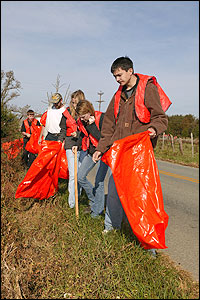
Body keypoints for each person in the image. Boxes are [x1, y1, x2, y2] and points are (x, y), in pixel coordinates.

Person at [92, 56, 171, 255]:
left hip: (139, 151)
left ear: (130, 71)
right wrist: (101, 148)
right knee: (115, 191)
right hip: (119, 150)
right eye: (114, 76)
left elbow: (160, 117)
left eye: (119, 75)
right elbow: (109, 123)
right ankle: (111, 228)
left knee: (141, 196)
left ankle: (148, 243)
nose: (117, 79)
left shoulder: (147, 88)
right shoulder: (118, 95)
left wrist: (153, 129)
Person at [75, 99, 109, 218]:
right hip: (91, 152)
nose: (83, 119)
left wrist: (92, 125)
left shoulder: (102, 118)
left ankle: (96, 212)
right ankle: (94, 201)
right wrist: (77, 145)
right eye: (81, 117)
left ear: (89, 111)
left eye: (84, 116)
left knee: (99, 181)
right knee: (80, 177)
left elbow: (103, 139)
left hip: (104, 153)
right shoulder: (82, 121)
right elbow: (83, 134)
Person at [57, 90, 86, 209]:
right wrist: (59, 140)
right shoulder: (67, 112)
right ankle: (72, 203)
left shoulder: (85, 112)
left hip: (83, 145)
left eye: (76, 102)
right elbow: (63, 129)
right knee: (73, 175)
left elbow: (87, 129)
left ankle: (78, 196)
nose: (74, 105)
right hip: (70, 144)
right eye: (72, 102)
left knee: (80, 174)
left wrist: (78, 133)